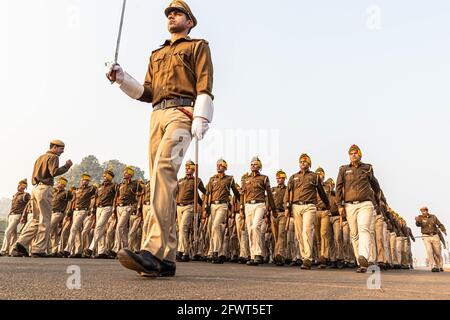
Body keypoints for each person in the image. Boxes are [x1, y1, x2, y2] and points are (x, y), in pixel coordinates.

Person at [108, 0, 214, 277]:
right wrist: (122, 78)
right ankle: (166, 258)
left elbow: (205, 81)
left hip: (182, 112)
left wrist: (202, 116)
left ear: (189, 21)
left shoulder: (197, 46)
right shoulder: (156, 53)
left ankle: (152, 249)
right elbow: (147, 92)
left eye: (177, 13)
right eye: (168, 14)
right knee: (159, 181)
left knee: (165, 170)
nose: (171, 17)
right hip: (157, 115)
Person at [12, 140, 72, 257]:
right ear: (54, 147)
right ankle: (38, 250)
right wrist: (66, 166)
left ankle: (20, 244)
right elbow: (53, 172)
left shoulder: (40, 157)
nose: (62, 151)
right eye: (61, 148)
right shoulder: (53, 157)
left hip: (35, 189)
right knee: (45, 220)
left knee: (35, 219)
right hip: (45, 189)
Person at [336, 144, 381, 273]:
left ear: (360, 154)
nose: (353, 155)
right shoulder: (343, 169)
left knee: (364, 229)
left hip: (365, 204)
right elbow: (338, 188)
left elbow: (375, 186)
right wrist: (340, 205)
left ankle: (364, 256)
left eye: (355, 153)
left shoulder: (367, 168)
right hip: (349, 205)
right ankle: (361, 262)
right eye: (351, 153)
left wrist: (378, 202)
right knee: (354, 234)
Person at [284, 154, 330, 270]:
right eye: (300, 161)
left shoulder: (314, 177)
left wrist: (327, 203)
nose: (302, 163)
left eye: (305, 161)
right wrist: (286, 207)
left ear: (309, 163)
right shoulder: (293, 177)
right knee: (299, 234)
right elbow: (288, 192)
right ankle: (304, 256)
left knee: (306, 231)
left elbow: (321, 192)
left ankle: (307, 259)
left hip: (309, 206)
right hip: (296, 206)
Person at [239, 157, 276, 266]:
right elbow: (242, 194)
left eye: (255, 164)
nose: (253, 166)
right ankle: (252, 254)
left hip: (260, 204)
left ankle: (259, 253)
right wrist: (241, 208)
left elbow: (269, 194)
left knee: (256, 226)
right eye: (252, 164)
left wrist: (273, 209)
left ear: (259, 166)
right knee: (250, 230)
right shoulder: (246, 179)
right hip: (248, 204)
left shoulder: (264, 178)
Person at [0, 179, 30, 256]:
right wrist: (9, 214)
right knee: (13, 234)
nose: (18, 186)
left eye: (20, 185)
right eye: (19, 185)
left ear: (23, 187)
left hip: (18, 215)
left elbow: (30, 205)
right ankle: (12, 251)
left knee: (7, 231)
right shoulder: (15, 195)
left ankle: (3, 250)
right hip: (11, 215)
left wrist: (25, 216)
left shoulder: (26, 195)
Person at [415, 206, 447, 272]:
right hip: (426, 236)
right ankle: (433, 266)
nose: (423, 212)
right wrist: (417, 221)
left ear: (427, 211)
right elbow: (418, 225)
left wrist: (443, 230)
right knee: (429, 250)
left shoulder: (433, 217)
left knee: (437, 252)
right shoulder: (420, 218)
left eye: (424, 211)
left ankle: (440, 266)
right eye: (422, 211)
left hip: (435, 235)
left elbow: (439, 224)